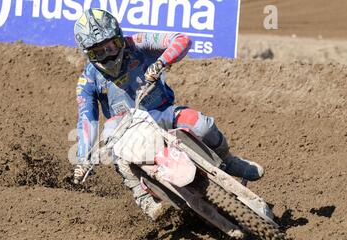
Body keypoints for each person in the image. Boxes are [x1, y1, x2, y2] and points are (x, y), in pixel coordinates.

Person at [72, 8, 264, 220]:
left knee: (201, 125)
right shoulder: (87, 81)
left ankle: (229, 160)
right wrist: (84, 158)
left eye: (111, 46)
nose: (108, 55)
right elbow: (87, 119)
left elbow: (182, 40)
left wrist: (162, 61)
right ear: (87, 53)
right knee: (115, 153)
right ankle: (144, 198)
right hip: (127, 131)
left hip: (162, 113)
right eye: (98, 52)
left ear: (119, 38)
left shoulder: (137, 43)